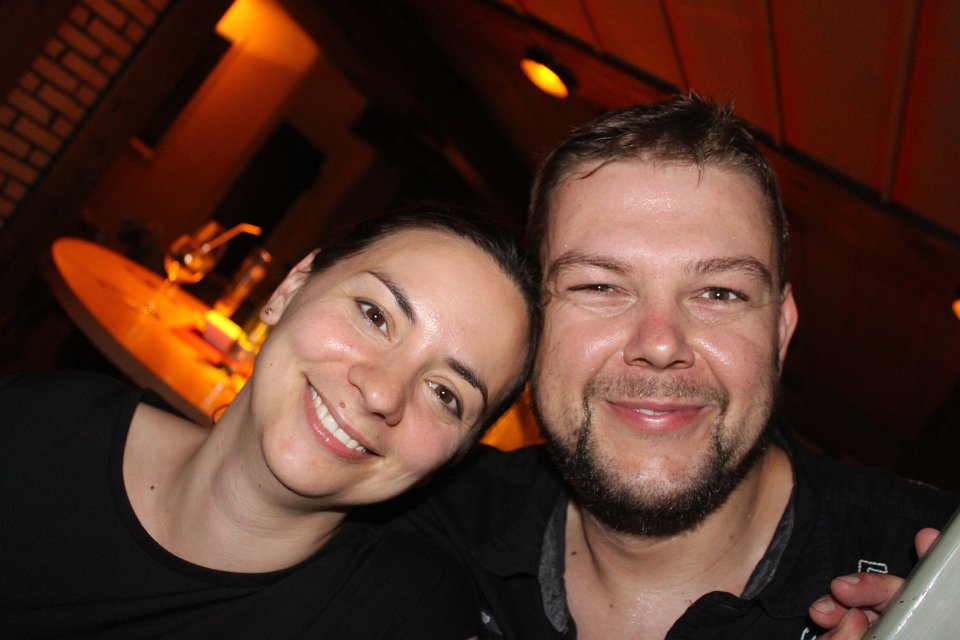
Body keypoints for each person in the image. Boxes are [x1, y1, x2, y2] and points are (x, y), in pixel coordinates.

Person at [390, 95, 958, 639]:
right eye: (599, 286)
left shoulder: (937, 569)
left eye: (719, 293)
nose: (661, 345)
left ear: (780, 330)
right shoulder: (411, 521)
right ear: (535, 320)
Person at [0, 205, 541, 639]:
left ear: (457, 455)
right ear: (290, 289)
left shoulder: (407, 618)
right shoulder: (34, 425)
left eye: (446, 395)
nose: (381, 392)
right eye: (375, 315)